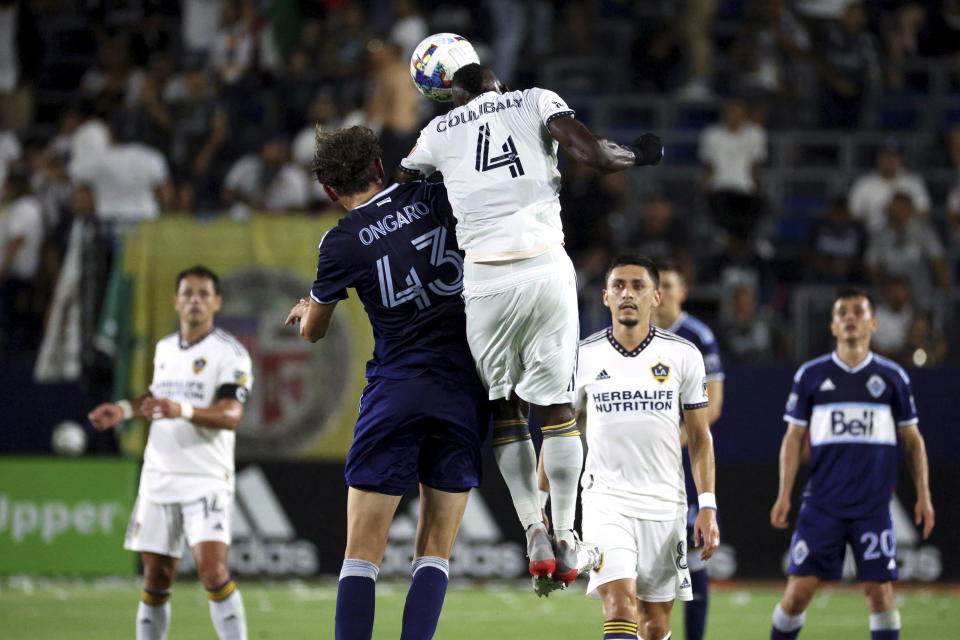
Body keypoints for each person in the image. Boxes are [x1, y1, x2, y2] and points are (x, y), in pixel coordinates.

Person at [399, 62, 664, 586]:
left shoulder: (436, 132)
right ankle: (566, 535)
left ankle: (531, 529)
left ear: (449, 94)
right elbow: (592, 155)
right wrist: (639, 154)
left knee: (505, 407)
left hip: (484, 278)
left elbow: (408, 187)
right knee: (557, 407)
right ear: (494, 80)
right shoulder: (533, 100)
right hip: (544, 265)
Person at [284, 126, 490, 640]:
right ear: (379, 165)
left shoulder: (340, 241)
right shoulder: (434, 195)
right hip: (463, 388)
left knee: (362, 554)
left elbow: (313, 333)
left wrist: (310, 305)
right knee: (435, 549)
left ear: (331, 192)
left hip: (396, 390)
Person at [88, 265, 253, 640]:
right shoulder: (164, 349)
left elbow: (231, 414)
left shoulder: (230, 354)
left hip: (206, 478)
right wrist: (125, 410)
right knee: (155, 576)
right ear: (177, 301)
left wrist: (185, 410)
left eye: (203, 294)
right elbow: (156, 395)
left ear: (217, 302)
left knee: (212, 571)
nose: (194, 300)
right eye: (188, 293)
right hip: (159, 475)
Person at [769, 287, 935, 640]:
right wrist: (784, 494)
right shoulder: (811, 375)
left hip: (873, 506)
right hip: (822, 506)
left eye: (858, 311)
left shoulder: (893, 378)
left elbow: (912, 441)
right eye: (842, 312)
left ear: (873, 323)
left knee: (879, 594)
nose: (849, 318)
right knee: (797, 594)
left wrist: (924, 494)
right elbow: (793, 438)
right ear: (832, 325)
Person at [576, 254, 720, 640]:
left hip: (664, 503)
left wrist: (707, 505)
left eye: (638, 286)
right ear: (605, 296)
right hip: (605, 501)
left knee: (655, 626)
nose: (628, 293)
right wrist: (542, 506)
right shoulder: (582, 357)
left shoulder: (684, 355)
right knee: (620, 606)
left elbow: (701, 438)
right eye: (619, 286)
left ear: (656, 297)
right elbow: (563, 434)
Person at [652, 260, 724, 640]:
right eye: (655, 284)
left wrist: (668, 439)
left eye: (667, 284)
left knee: (694, 564)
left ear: (683, 291)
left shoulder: (697, 336)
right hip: (642, 468)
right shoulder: (634, 335)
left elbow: (713, 406)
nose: (660, 292)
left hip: (683, 460)